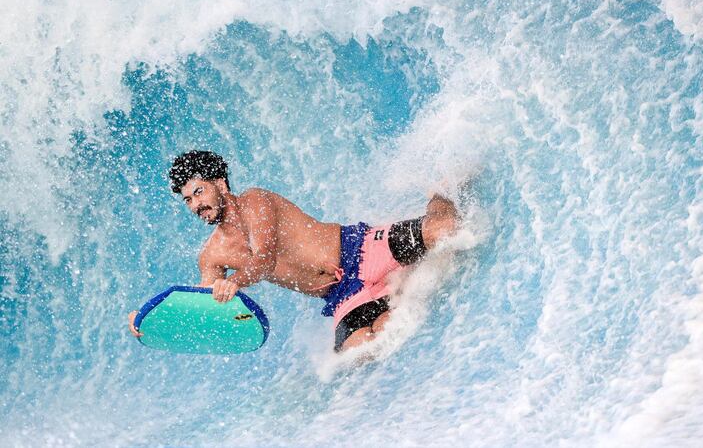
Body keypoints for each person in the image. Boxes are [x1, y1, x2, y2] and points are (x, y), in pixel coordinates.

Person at [127, 150, 458, 352]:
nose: (196, 204)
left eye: (199, 192)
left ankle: (441, 188)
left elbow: (264, 257)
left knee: (446, 230)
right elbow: (203, 304)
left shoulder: (256, 202)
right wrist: (153, 320)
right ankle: (396, 288)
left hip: (359, 250)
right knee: (368, 346)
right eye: (188, 200)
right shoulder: (212, 255)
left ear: (221, 184)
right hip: (341, 296)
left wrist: (236, 282)